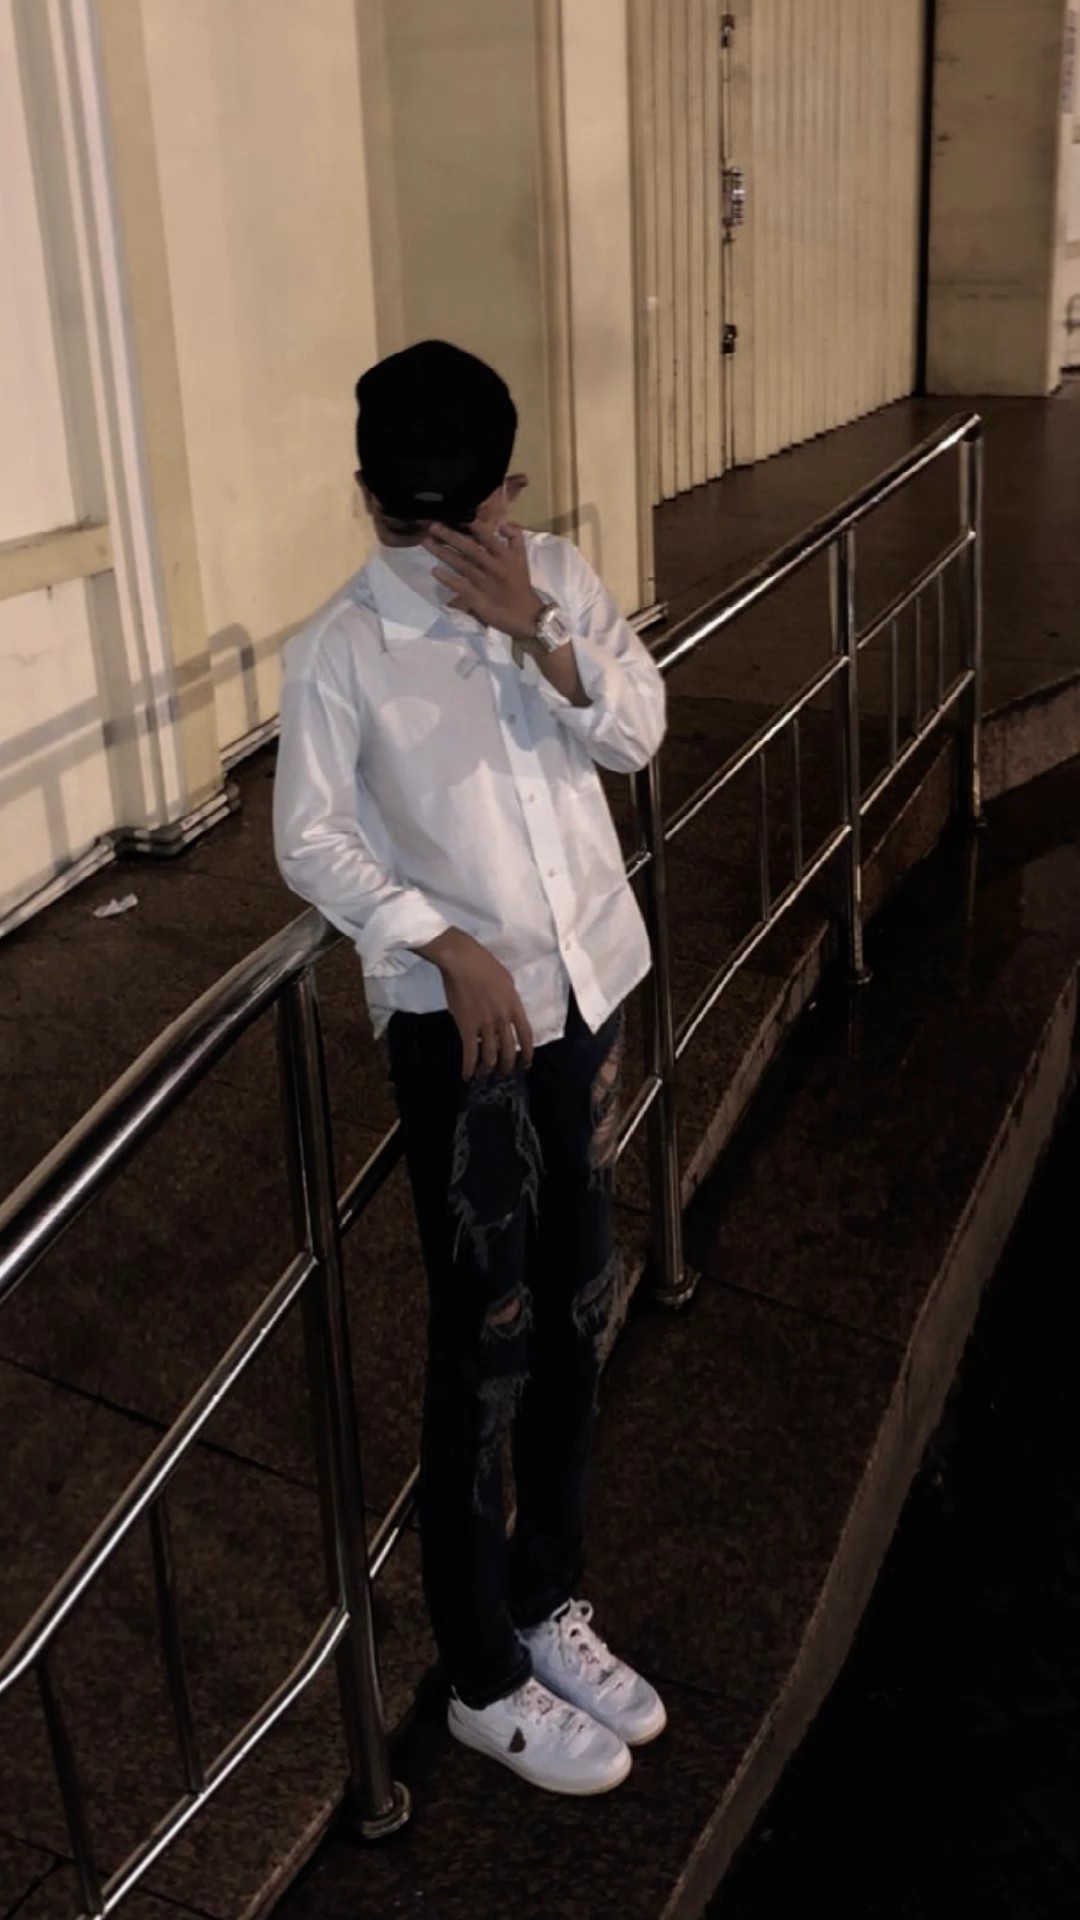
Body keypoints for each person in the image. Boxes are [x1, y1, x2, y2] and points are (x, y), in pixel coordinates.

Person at [274, 340, 668, 1796]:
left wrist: (541, 636)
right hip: (471, 1035)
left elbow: (636, 733)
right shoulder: (340, 649)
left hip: (588, 989)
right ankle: (480, 1669)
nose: (453, 537)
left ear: (510, 491)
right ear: (373, 497)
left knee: (578, 1302)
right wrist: (439, 940)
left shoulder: (555, 574)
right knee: (483, 1339)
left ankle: (548, 1594)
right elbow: (311, 838)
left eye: (479, 510)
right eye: (420, 517)